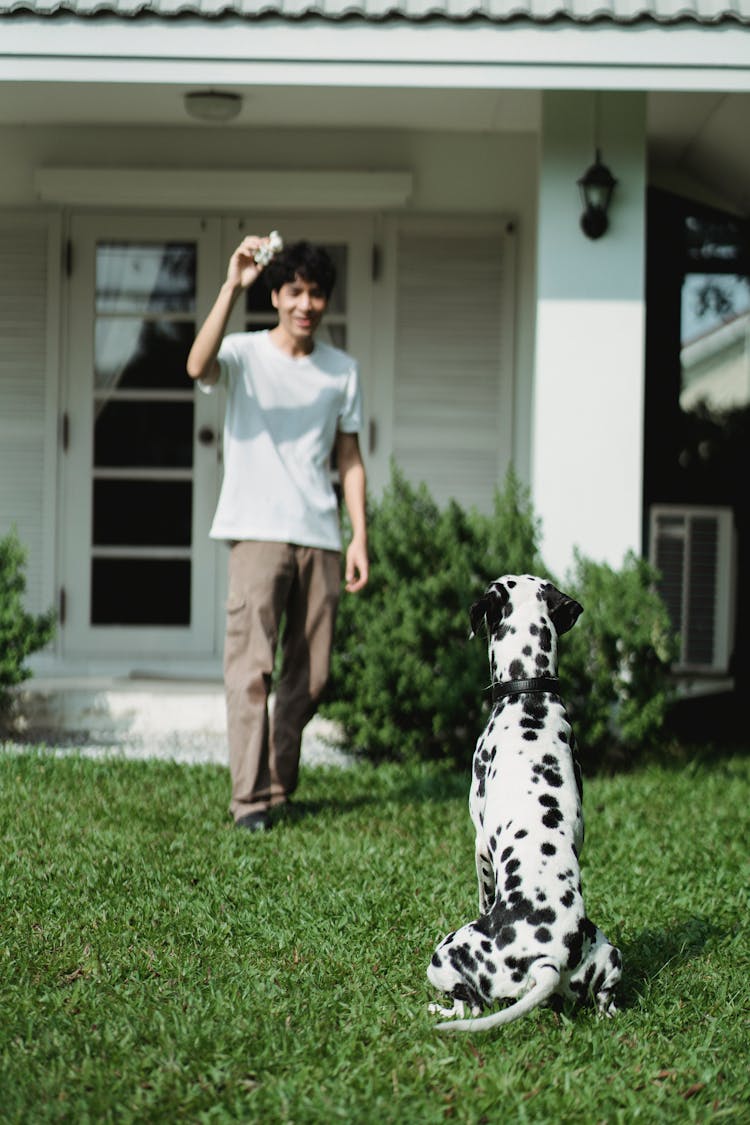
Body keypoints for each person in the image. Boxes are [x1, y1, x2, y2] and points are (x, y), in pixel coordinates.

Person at [186, 235, 369, 831]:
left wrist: (359, 535)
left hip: (318, 531)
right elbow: (195, 365)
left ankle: (277, 783)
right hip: (256, 529)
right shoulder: (242, 353)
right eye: (294, 291)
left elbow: (350, 458)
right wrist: (230, 285)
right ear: (276, 295)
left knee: (311, 675)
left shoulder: (342, 371)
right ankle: (250, 801)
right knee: (251, 668)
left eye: (316, 293)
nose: (305, 303)